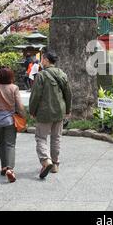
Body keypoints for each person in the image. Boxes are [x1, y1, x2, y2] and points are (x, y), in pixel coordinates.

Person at [29, 50, 72, 179]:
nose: (41, 61)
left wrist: (32, 111)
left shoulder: (41, 75)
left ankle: (45, 160)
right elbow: (68, 94)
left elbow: (35, 95)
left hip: (44, 112)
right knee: (56, 137)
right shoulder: (62, 74)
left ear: (46, 60)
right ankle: (55, 164)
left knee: (41, 138)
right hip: (59, 112)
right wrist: (68, 110)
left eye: (42, 59)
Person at [0, 67, 25, 183]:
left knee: (0, 143)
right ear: (10, 76)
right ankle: (10, 169)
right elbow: (20, 106)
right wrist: (23, 115)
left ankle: (3, 167)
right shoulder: (14, 88)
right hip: (10, 120)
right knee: (10, 144)